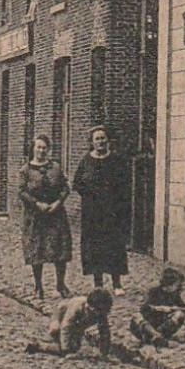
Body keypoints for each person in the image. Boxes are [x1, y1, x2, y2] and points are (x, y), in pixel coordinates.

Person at [71, 126, 128, 295]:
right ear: (92, 142)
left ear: (108, 140)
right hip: (92, 213)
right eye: (97, 139)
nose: (100, 142)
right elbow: (77, 184)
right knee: (94, 246)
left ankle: (117, 283)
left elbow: (124, 184)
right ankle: (98, 283)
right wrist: (90, 196)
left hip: (112, 211)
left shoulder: (116, 160)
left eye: (103, 138)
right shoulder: (86, 161)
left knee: (114, 245)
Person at [19, 134, 73, 300]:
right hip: (35, 216)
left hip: (55, 214)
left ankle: (60, 284)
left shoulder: (55, 167)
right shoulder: (26, 170)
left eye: (44, 148)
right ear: (33, 149)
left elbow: (65, 187)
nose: (41, 151)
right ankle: (38, 286)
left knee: (60, 249)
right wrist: (36, 203)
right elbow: (21, 192)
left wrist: (58, 202)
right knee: (37, 250)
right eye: (38, 147)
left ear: (48, 149)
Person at [26, 289, 114, 359]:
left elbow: (105, 332)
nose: (103, 313)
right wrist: (66, 351)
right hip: (61, 315)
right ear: (90, 306)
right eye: (100, 310)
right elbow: (66, 326)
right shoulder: (77, 307)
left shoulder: (101, 314)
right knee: (55, 330)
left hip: (78, 325)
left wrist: (104, 353)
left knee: (74, 348)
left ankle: (46, 345)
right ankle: (42, 345)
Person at [131, 268, 185, 348]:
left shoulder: (175, 294)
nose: (179, 287)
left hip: (163, 325)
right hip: (149, 324)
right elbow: (145, 308)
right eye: (177, 284)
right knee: (136, 316)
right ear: (169, 284)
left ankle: (159, 337)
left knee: (180, 315)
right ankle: (157, 337)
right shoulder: (153, 291)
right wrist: (161, 308)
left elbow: (184, 307)